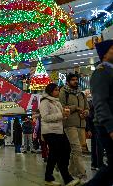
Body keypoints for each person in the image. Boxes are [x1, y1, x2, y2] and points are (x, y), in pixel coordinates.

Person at [40, 83, 80, 186]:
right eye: (56, 90)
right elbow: (45, 117)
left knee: (62, 151)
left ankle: (48, 177)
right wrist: (61, 115)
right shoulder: (45, 102)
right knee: (57, 153)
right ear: (50, 91)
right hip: (50, 132)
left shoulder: (56, 102)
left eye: (58, 90)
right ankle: (67, 178)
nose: (58, 92)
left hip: (59, 131)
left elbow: (59, 116)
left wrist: (64, 115)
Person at [86, 40, 113, 186]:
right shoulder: (101, 72)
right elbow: (100, 102)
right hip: (107, 125)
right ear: (104, 54)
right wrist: (110, 128)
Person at [59, 73, 89, 180]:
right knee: (77, 149)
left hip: (81, 124)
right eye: (73, 80)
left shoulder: (81, 94)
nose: (75, 81)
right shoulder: (63, 92)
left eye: (76, 79)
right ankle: (82, 172)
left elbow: (87, 108)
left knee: (76, 149)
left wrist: (85, 112)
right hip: (69, 124)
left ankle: (71, 171)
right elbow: (61, 108)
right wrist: (75, 108)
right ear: (68, 81)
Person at [85, 92, 104, 171]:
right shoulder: (93, 104)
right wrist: (88, 129)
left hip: (96, 127)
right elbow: (88, 118)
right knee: (98, 147)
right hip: (96, 127)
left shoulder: (95, 103)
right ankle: (99, 164)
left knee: (96, 146)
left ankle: (95, 164)